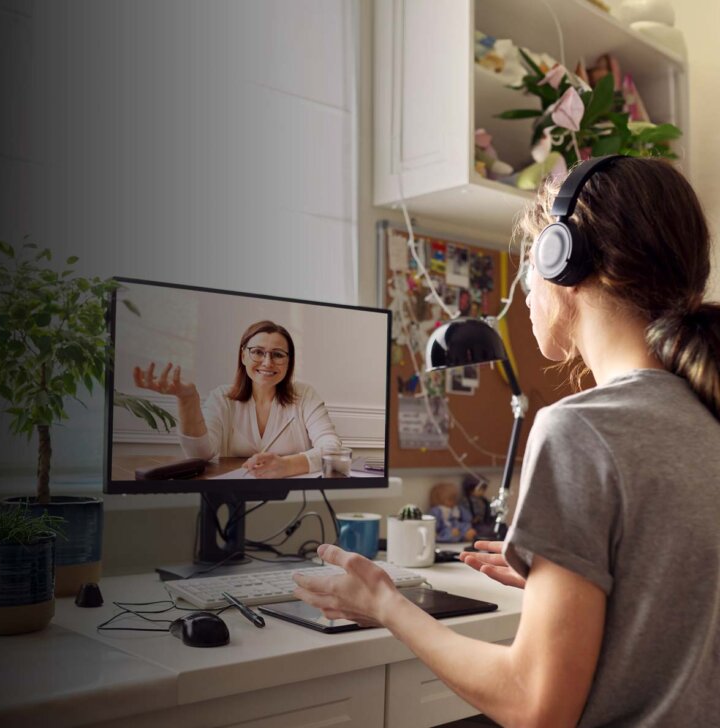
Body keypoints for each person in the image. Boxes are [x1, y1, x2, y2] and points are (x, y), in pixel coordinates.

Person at [292, 156, 720, 725]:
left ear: (561, 262)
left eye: (527, 267)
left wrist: (384, 604)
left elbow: (533, 704)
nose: (525, 291)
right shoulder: (703, 412)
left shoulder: (581, 429)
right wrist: (579, 582)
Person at [133, 320, 341, 478]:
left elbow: (332, 448)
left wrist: (287, 466)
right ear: (243, 356)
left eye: (278, 355)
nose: (267, 362)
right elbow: (200, 454)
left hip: (294, 500)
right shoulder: (221, 398)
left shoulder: (305, 395)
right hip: (231, 499)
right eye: (258, 352)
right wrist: (188, 400)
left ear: (289, 362)